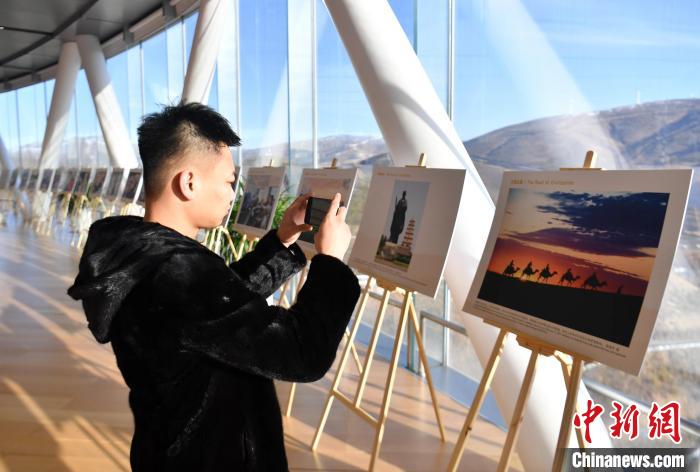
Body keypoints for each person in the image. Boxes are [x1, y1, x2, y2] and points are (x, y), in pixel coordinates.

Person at [67, 102, 361, 471]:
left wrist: (282, 240)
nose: (232, 194)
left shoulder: (141, 254)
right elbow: (301, 352)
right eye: (228, 181)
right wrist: (330, 263)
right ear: (189, 182)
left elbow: (221, 308)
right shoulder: (178, 271)